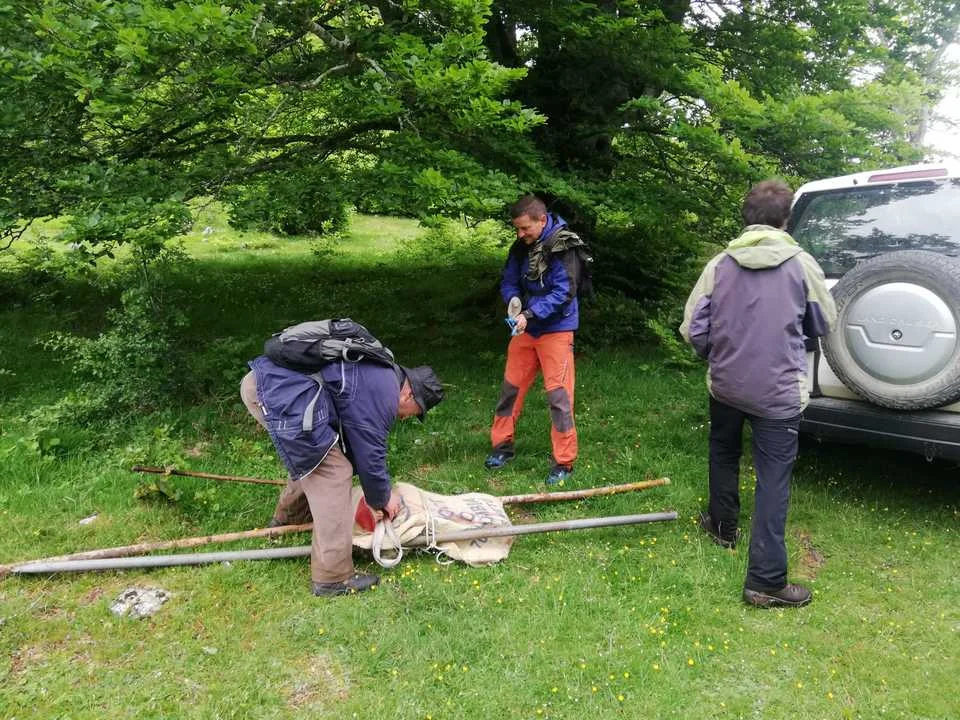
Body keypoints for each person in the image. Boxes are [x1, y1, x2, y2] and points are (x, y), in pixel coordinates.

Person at [679, 179, 837, 609]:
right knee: (773, 479)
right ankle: (766, 581)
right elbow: (824, 321)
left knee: (723, 451)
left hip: (726, 385)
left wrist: (715, 355)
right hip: (778, 392)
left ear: (746, 218)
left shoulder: (719, 264)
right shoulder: (802, 265)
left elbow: (693, 327)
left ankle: (722, 527)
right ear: (786, 219)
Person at [240, 356, 443, 597]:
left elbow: (355, 444)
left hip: (270, 383)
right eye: (415, 412)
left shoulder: (382, 377)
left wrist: (377, 494)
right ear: (408, 395)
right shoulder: (385, 394)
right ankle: (332, 578)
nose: (406, 417)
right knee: (334, 472)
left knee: (323, 459)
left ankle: (290, 518)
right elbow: (370, 452)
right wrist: (382, 498)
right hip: (275, 392)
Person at [485, 195, 589, 485]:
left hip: (556, 329)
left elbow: (564, 292)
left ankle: (564, 462)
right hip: (525, 329)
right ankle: (501, 446)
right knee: (510, 389)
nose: (520, 235)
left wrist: (530, 314)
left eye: (525, 228)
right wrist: (514, 300)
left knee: (559, 397)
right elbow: (508, 280)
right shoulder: (521, 246)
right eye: (517, 229)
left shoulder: (564, 246)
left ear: (542, 220)